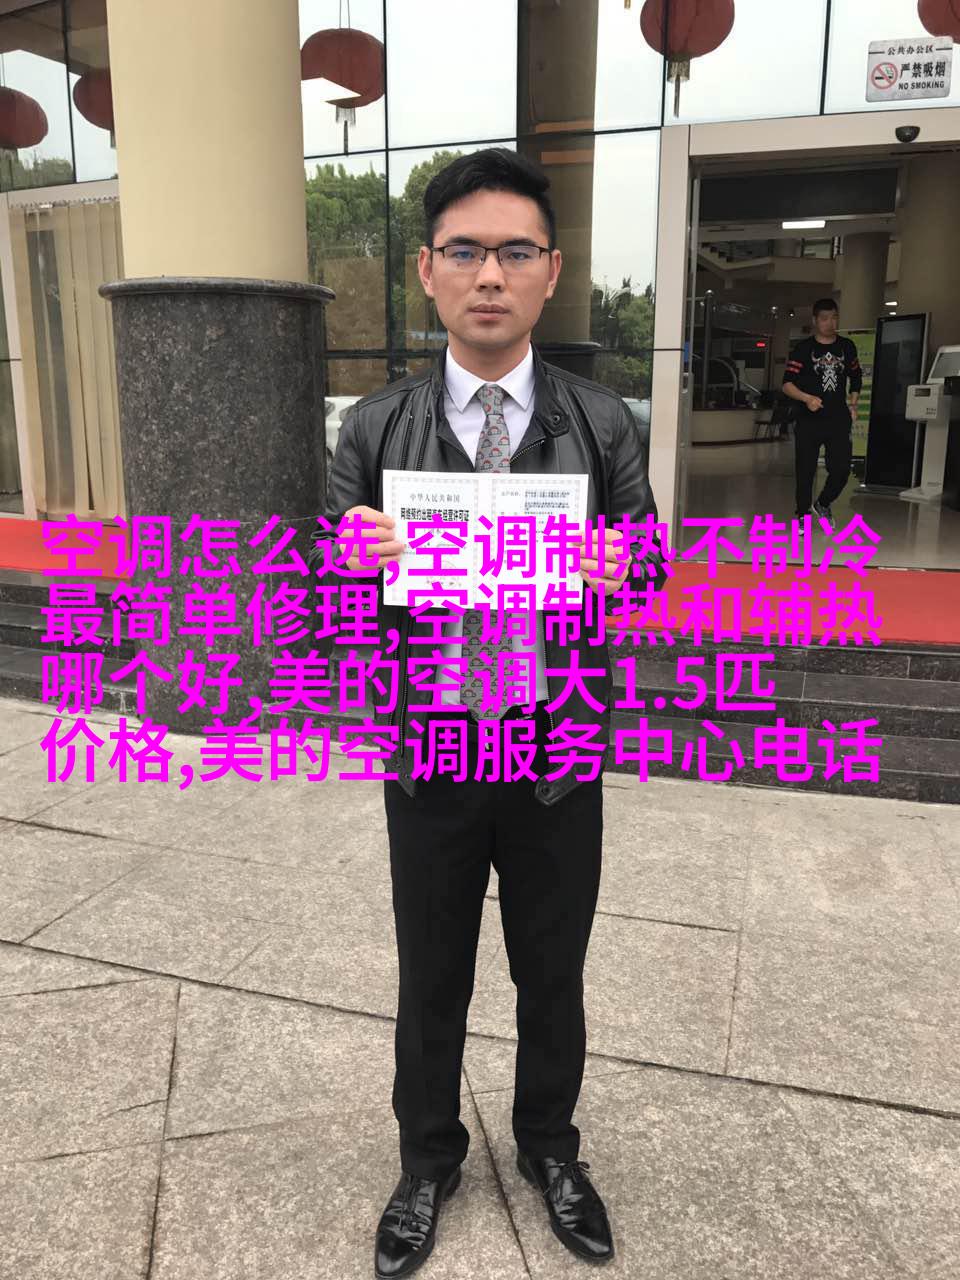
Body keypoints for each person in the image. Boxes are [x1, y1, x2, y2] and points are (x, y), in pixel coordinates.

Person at [310, 147, 665, 1279]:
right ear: (427, 270)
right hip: (431, 750)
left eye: (516, 251)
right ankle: (427, 1161)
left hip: (556, 744)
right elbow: (323, 604)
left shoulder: (602, 422)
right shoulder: (374, 430)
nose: (490, 275)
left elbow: (651, 563)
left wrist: (622, 564)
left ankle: (552, 1150)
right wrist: (350, 564)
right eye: (465, 251)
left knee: (551, 968)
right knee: (433, 973)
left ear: (551, 272)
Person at [782, 297, 862, 530]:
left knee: (841, 469)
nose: (830, 323)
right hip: (809, 420)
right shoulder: (803, 349)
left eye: (834, 318)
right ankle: (802, 515)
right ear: (815, 320)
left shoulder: (847, 346)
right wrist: (807, 399)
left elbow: (856, 377)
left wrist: (853, 404)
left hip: (838, 419)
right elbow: (787, 384)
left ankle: (823, 503)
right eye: (825, 318)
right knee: (805, 470)